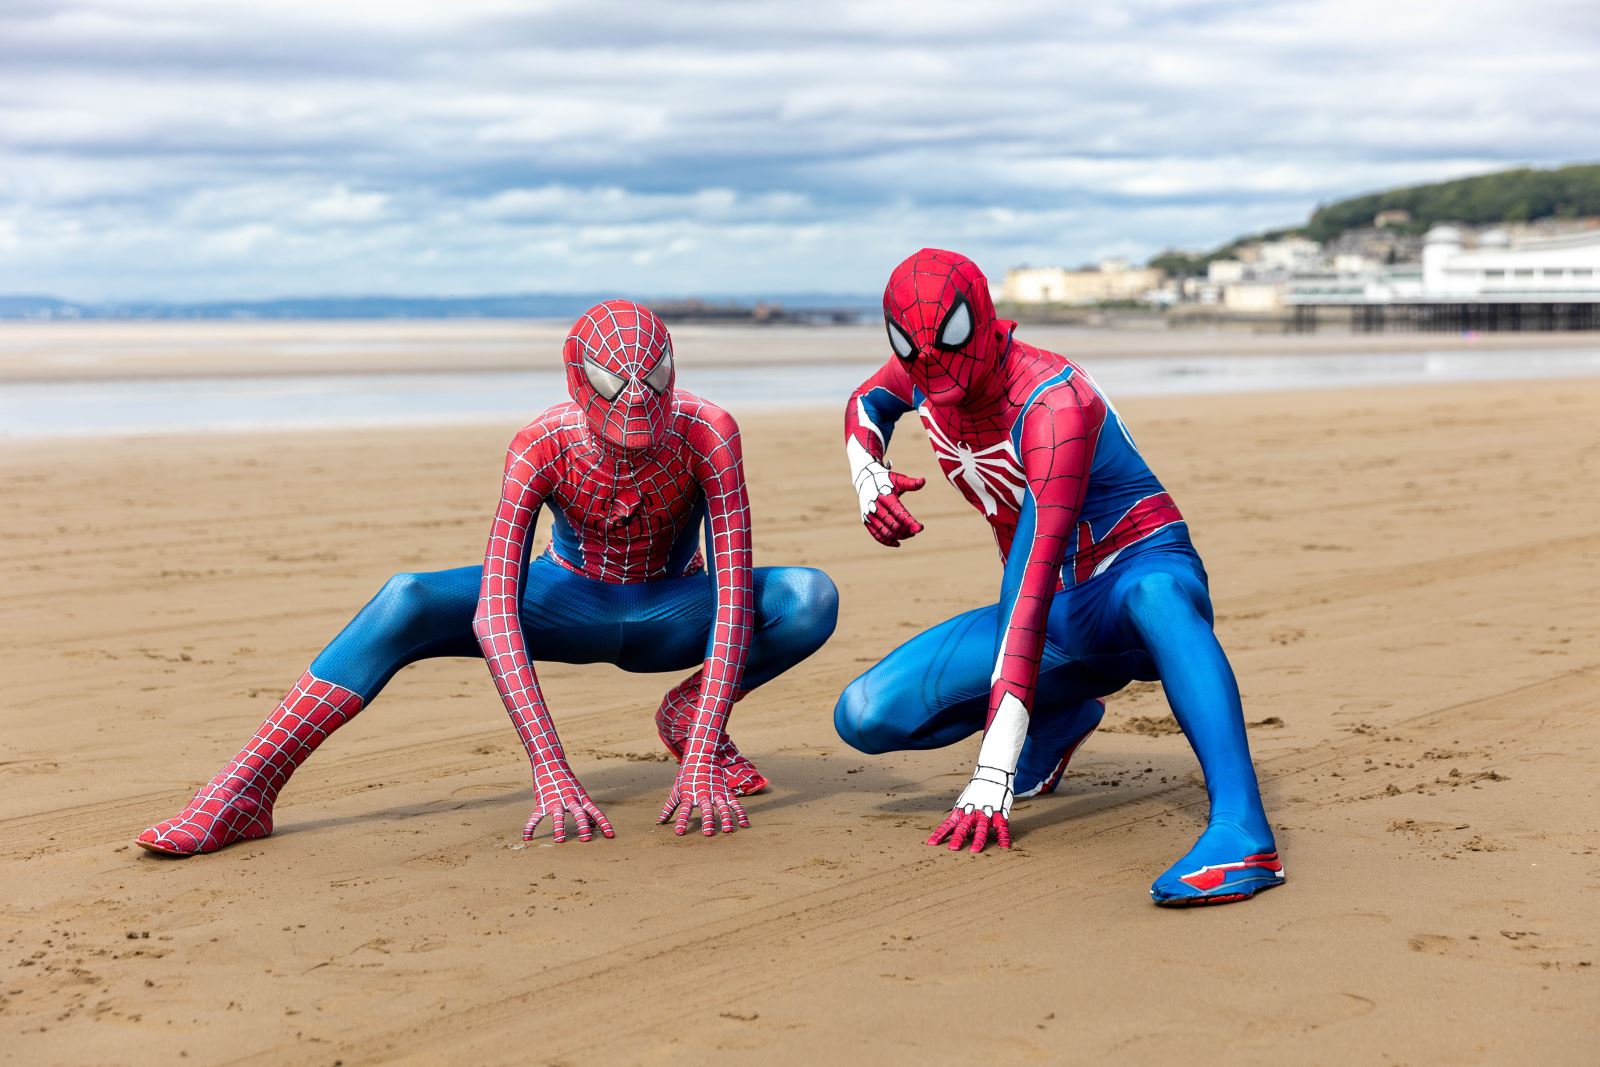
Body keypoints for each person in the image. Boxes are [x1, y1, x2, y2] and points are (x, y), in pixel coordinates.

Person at [139, 300, 838, 855]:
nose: (636, 406)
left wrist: (702, 750)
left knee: (807, 596)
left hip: (672, 608)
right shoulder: (541, 443)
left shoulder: (708, 430)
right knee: (405, 598)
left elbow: (735, 589)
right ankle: (243, 791)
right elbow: (496, 612)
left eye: (651, 385)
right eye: (615, 389)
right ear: (579, 384)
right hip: (567, 598)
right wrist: (550, 767)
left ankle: (688, 720)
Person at [832, 249, 1282, 905]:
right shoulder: (923, 371)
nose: (931, 364)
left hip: (1132, 578)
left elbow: (1032, 576)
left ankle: (1244, 831)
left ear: (983, 319)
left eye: (948, 340)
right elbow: (866, 404)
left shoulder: (1050, 403)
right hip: (1060, 613)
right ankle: (1062, 715)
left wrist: (994, 772)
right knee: (866, 714)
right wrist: (866, 475)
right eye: (912, 349)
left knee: (1155, 595)